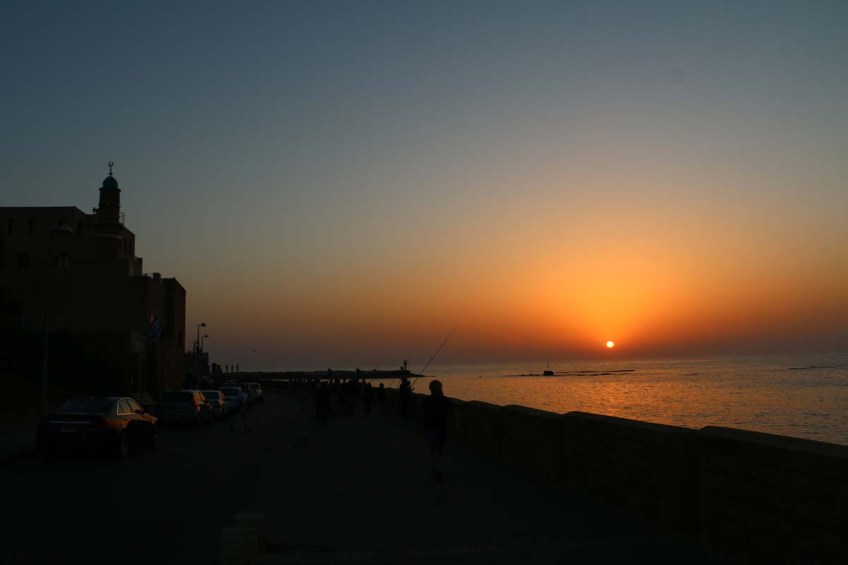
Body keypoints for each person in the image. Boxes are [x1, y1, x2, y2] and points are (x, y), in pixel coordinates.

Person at [422, 379, 456, 482]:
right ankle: (438, 470)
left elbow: (453, 412)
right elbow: (423, 414)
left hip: (442, 428)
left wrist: (456, 424)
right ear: (431, 388)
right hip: (430, 428)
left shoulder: (445, 400)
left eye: (437, 386)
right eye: (434, 387)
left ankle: (435, 466)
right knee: (435, 448)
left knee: (439, 450)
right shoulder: (427, 400)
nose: (436, 388)